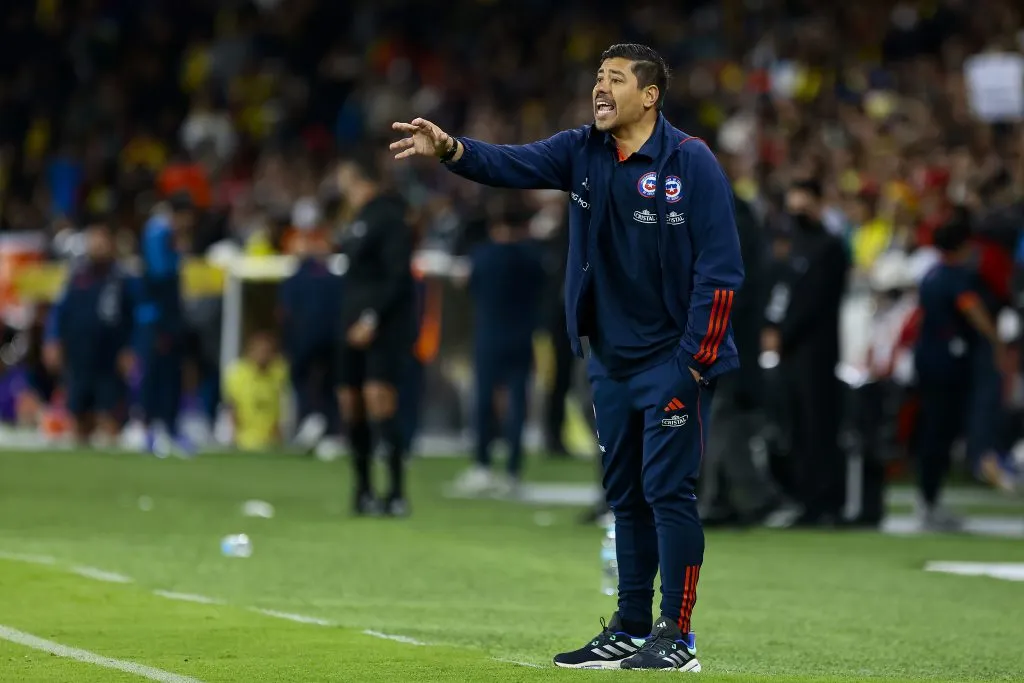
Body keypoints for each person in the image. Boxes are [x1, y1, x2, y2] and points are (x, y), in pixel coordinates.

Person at [391, 43, 743, 671]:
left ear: (650, 94)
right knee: (625, 496)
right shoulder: (581, 151)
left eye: (614, 80)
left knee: (669, 494)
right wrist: (449, 149)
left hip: (670, 360)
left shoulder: (692, 163)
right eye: (596, 80)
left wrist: (693, 362)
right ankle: (633, 626)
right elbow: (508, 164)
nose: (599, 90)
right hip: (609, 360)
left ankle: (678, 635)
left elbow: (721, 272)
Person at [762, 179, 850, 527]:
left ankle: (824, 500)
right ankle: (803, 497)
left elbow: (814, 301)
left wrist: (781, 332)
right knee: (796, 425)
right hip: (792, 351)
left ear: (818, 203)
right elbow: (781, 293)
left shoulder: (829, 247)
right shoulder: (793, 246)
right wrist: (771, 327)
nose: (796, 214)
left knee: (818, 425)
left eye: (802, 206)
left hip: (816, 350)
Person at [335, 151, 416, 517]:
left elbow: (398, 277)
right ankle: (363, 489)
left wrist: (371, 319)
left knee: (379, 398)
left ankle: (396, 493)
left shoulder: (390, 217)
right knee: (350, 401)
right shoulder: (357, 219)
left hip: (379, 326)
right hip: (349, 322)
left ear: (358, 177)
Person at [914, 216, 1009, 530]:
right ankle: (931, 502)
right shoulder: (957, 277)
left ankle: (928, 498)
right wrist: (996, 341)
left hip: (928, 360)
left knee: (932, 431)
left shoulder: (930, 274)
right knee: (940, 432)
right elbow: (971, 308)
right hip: (947, 365)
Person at [450, 199, 546, 498]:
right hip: (521, 335)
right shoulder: (533, 258)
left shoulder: (482, 256)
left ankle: (482, 465)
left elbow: (469, 287)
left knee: (483, 401)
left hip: (489, 335)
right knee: (517, 401)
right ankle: (513, 470)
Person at [699, 195, 784, 527]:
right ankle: (732, 498)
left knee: (720, 421)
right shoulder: (740, 226)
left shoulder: (731, 230)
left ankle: (738, 498)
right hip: (733, 344)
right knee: (725, 423)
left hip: (724, 344)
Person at [43, 221, 134, 446]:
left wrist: (132, 348)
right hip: (79, 355)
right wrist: (52, 340)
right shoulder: (76, 275)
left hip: (109, 358)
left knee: (110, 418)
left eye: (102, 240)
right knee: (79, 417)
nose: (98, 245)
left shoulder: (123, 278)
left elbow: (136, 317)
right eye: (94, 239)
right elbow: (59, 311)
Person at [137, 191, 195, 457]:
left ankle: (169, 429)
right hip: (157, 317)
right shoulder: (158, 233)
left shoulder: (164, 233)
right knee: (157, 372)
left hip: (167, 315)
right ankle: (149, 430)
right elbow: (160, 276)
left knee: (171, 372)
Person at [279, 230, 343, 450]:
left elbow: (286, 312)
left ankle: (311, 418)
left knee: (301, 380)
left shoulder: (296, 278)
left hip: (304, 338)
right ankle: (332, 432)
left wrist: (288, 342)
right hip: (334, 340)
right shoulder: (335, 279)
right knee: (330, 385)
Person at [222, 331, 289, 451]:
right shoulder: (238, 374)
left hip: (271, 442)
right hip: (245, 442)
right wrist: (233, 437)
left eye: (268, 351)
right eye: (261, 351)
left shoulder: (279, 371)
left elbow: (282, 404)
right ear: (250, 351)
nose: (264, 355)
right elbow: (233, 407)